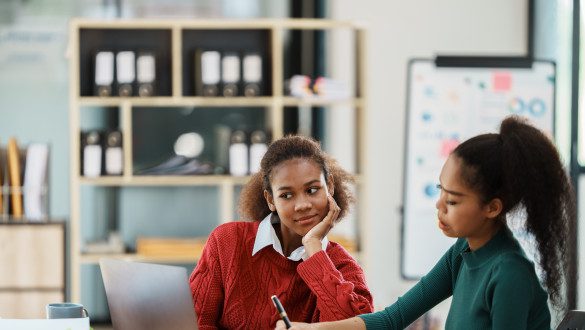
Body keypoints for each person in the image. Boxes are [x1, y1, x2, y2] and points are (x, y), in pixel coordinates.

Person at [276, 116, 575, 330]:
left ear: (492, 208)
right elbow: (393, 318)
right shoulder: (464, 252)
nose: (439, 205)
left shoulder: (509, 273)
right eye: (440, 191)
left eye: (454, 200)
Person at [189, 135, 374, 329]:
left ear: (330, 187)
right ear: (270, 200)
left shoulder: (343, 267)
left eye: (312, 190)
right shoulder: (226, 242)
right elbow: (195, 323)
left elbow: (356, 326)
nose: (302, 205)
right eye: (286, 195)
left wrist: (314, 250)